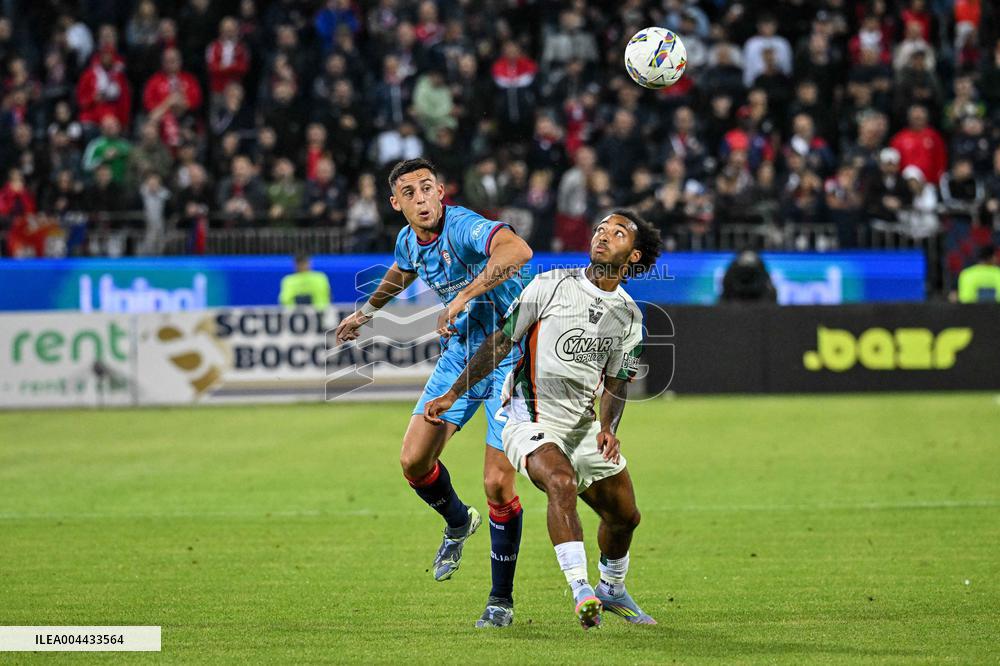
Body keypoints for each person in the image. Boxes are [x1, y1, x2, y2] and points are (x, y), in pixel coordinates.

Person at [425, 209, 661, 629]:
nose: (603, 234)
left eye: (617, 232)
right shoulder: (552, 284)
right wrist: (453, 393)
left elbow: (616, 382)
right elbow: (501, 339)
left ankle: (611, 588)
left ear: (634, 256)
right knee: (561, 481)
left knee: (625, 516)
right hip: (528, 415)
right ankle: (581, 591)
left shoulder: (629, 316)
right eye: (601, 227)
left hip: (582, 426)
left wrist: (608, 429)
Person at [334, 159, 533, 627]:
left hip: (512, 351)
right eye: (410, 192)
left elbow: (517, 251)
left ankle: (500, 600)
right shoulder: (408, 239)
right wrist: (366, 313)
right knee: (413, 460)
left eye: (427, 188)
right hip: (461, 352)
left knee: (498, 483)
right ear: (396, 203)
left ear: (441, 191)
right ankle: (458, 522)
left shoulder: (462, 226)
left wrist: (464, 296)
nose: (421, 199)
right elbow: (402, 271)